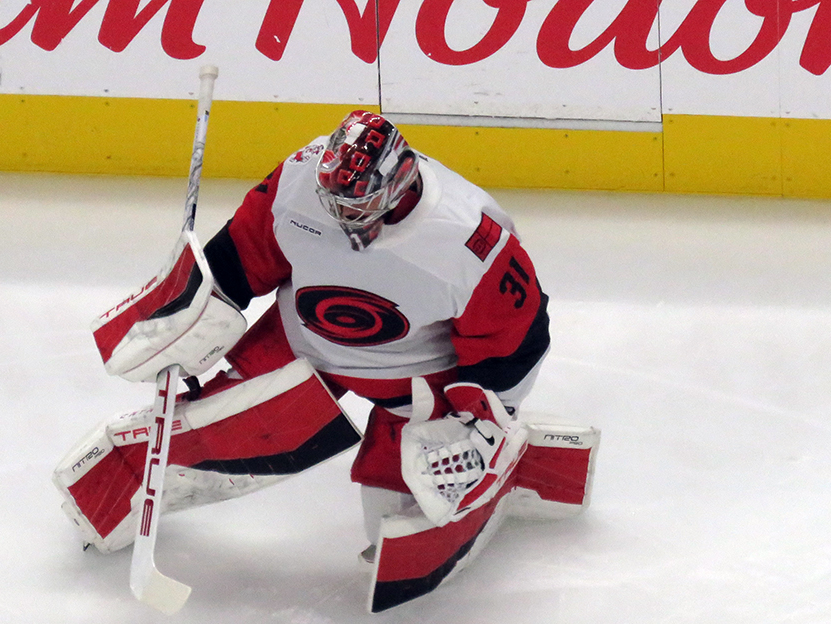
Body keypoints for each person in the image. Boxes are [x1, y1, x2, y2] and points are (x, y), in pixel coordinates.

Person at [53, 110, 550, 558]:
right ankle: (117, 490)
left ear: (399, 186)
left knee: (407, 493)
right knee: (213, 424)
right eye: (331, 200)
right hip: (298, 337)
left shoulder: (469, 238)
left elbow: (516, 337)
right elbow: (245, 250)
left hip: (415, 376)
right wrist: (195, 307)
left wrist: (484, 418)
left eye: (355, 207)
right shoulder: (301, 178)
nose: (336, 217)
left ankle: (448, 512)